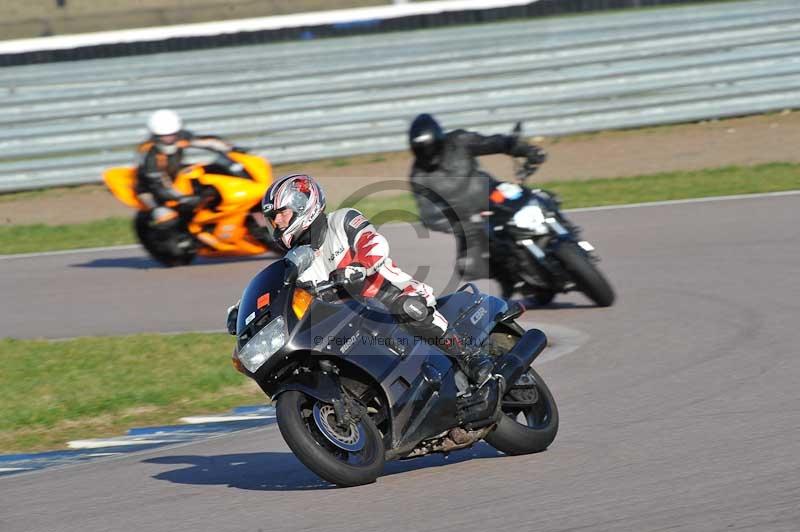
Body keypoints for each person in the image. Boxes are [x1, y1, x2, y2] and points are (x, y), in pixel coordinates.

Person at [226, 173, 495, 386]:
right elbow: (278, 289)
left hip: (389, 295)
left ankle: (472, 358)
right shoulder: (296, 259)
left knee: (408, 309)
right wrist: (242, 311)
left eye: (281, 214)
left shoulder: (342, 221)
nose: (278, 223)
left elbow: (375, 243)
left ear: (302, 205)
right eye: (273, 219)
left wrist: (359, 266)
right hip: (351, 321)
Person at [408, 113, 546, 280]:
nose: (427, 153)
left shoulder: (459, 141)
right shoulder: (419, 177)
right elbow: (430, 215)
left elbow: (494, 143)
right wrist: (461, 227)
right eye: (421, 150)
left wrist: (526, 150)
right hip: (469, 222)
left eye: (430, 147)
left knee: (535, 199)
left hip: (493, 195)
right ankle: (518, 281)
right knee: (470, 268)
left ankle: (561, 230)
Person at [135, 109, 235, 224]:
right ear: (155, 134)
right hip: (150, 188)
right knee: (166, 217)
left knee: (209, 172)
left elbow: (207, 141)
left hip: (174, 173)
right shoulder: (150, 153)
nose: (169, 138)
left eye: (172, 134)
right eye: (164, 136)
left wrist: (231, 149)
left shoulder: (180, 137)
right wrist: (183, 198)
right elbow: (159, 184)